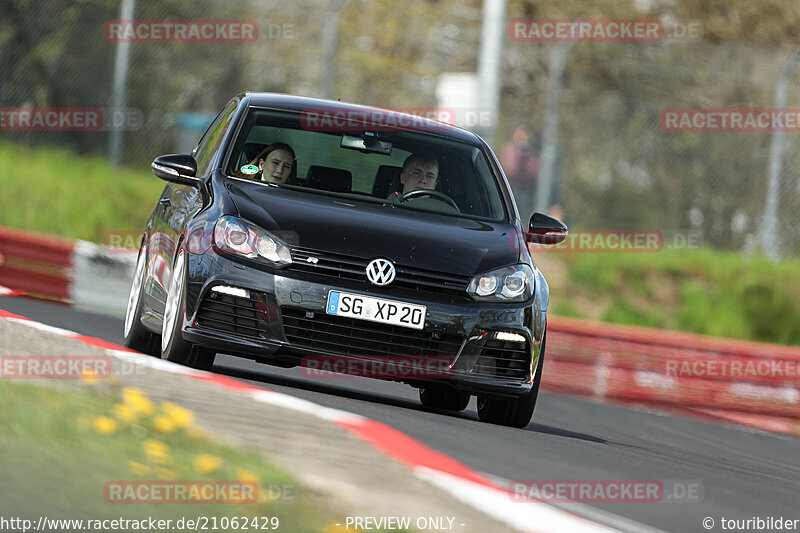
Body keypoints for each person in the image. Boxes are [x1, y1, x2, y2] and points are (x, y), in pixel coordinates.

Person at [501, 126, 539, 219]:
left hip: (525, 188)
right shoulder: (510, 149)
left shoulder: (531, 152)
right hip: (510, 186)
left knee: (524, 211)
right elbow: (509, 168)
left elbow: (533, 171)